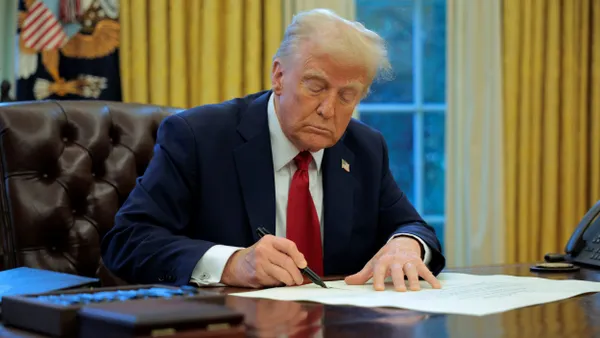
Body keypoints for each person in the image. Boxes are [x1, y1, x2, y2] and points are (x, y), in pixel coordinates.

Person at [101, 8, 446, 292]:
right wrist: (233, 263)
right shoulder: (198, 137)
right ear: (279, 77)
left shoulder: (365, 148)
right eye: (316, 87)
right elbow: (128, 241)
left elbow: (413, 226)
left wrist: (406, 244)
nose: (329, 109)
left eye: (347, 96)